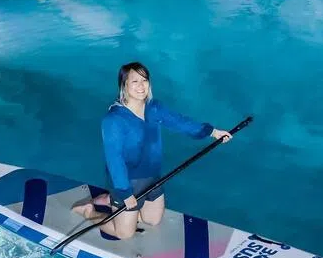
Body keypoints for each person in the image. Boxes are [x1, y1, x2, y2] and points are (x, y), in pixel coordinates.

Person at [72, 61, 230, 239]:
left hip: (152, 177)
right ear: (124, 85)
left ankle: (108, 200)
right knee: (124, 233)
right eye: (135, 81)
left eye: (144, 80)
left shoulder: (154, 107)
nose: (141, 86)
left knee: (152, 220)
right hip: (127, 181)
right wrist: (125, 193)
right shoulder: (113, 120)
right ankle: (88, 211)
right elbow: (114, 159)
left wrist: (212, 132)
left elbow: (180, 122)